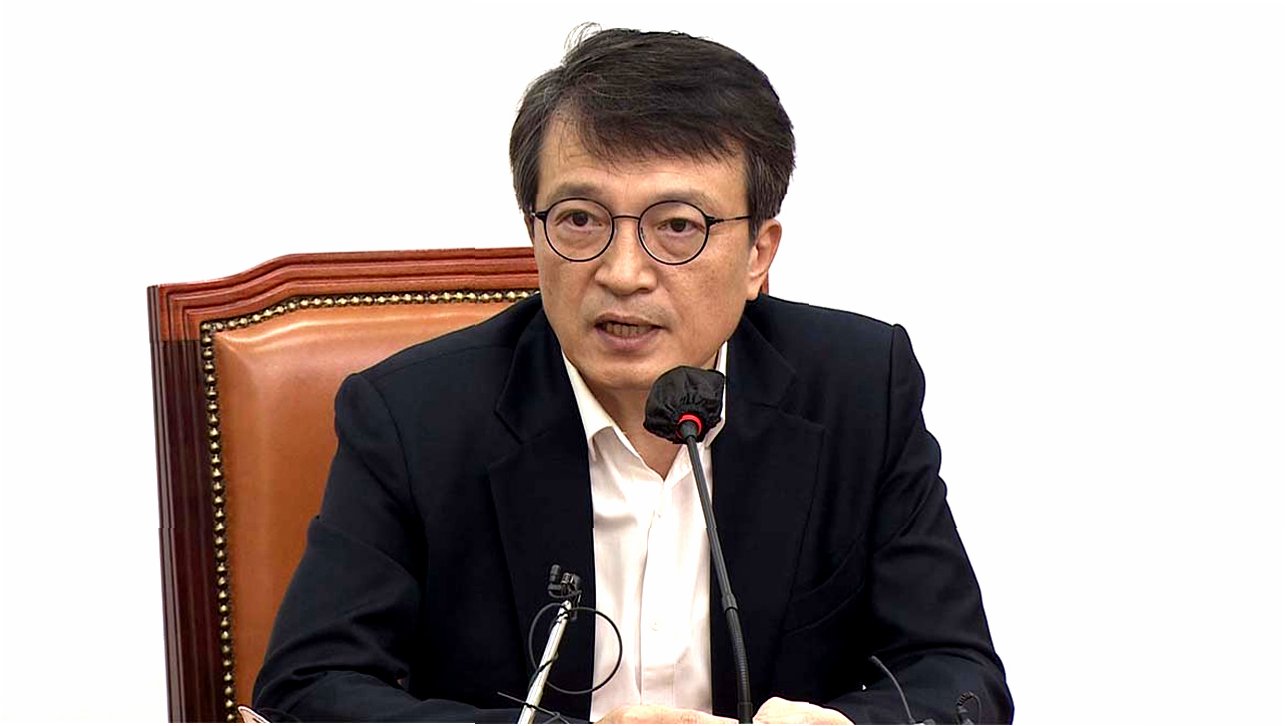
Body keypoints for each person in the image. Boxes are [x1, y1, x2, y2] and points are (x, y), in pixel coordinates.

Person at [253, 27, 1013, 724]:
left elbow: (958, 675)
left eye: (678, 226)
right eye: (580, 220)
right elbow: (307, 689)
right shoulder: (413, 418)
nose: (622, 273)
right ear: (535, 233)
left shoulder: (859, 391)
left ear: (758, 255)